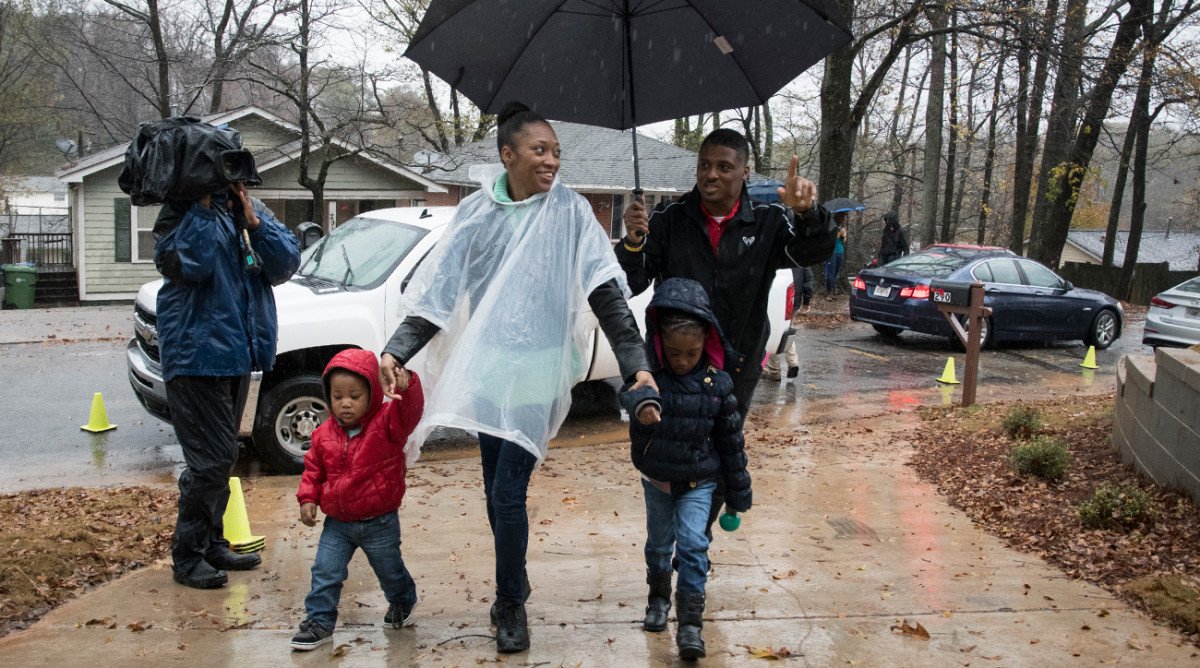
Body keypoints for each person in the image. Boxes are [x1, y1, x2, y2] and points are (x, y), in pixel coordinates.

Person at [378, 102, 655, 654]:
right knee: (494, 493)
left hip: (538, 375)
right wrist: (397, 350)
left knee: (508, 493)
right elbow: (438, 296)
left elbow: (607, 293)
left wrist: (636, 364)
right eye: (540, 150)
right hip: (488, 373)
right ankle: (516, 574)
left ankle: (510, 603)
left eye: (556, 152)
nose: (552, 161)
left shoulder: (571, 212)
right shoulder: (478, 214)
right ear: (508, 155)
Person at [616, 128, 834, 534]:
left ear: (745, 172)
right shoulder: (670, 219)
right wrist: (631, 243)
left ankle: (694, 542)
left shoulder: (769, 222)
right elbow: (633, 282)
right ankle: (668, 542)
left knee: (717, 451)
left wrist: (808, 213)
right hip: (675, 363)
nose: (710, 174)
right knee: (671, 452)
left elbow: (812, 252)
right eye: (703, 165)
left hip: (737, 364)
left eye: (723, 167)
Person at [154, 183, 300, 589]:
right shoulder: (178, 213)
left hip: (236, 353)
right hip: (195, 356)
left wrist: (253, 221)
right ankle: (187, 556)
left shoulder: (246, 212)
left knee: (222, 457)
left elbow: (285, 265)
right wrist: (200, 208)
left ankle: (213, 543)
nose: (230, 177)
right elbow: (192, 264)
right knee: (211, 461)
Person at [619, 278, 751, 660]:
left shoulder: (717, 384)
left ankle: (691, 623)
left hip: (699, 482)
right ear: (659, 344)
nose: (682, 361)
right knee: (659, 545)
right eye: (674, 353)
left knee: (694, 545)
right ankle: (658, 597)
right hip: (658, 480)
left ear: (706, 343)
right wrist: (641, 405)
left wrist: (738, 492)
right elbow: (627, 394)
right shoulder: (650, 380)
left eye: (691, 353)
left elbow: (731, 442)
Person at [291, 349, 424, 651]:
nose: (345, 403)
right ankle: (319, 621)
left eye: (354, 395)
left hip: (379, 520)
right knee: (326, 571)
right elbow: (313, 469)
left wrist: (407, 386)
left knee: (389, 571)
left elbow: (410, 412)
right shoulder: (323, 434)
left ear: (372, 393)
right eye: (337, 397)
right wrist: (308, 499)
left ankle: (403, 600)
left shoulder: (388, 423)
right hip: (337, 523)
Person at [824, 212, 847, 299]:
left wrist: (844, 236)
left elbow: (843, 241)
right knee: (831, 273)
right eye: (844, 218)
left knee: (836, 273)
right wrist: (839, 233)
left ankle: (832, 291)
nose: (845, 220)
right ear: (839, 217)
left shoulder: (843, 226)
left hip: (840, 251)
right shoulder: (831, 226)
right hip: (831, 252)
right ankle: (829, 292)